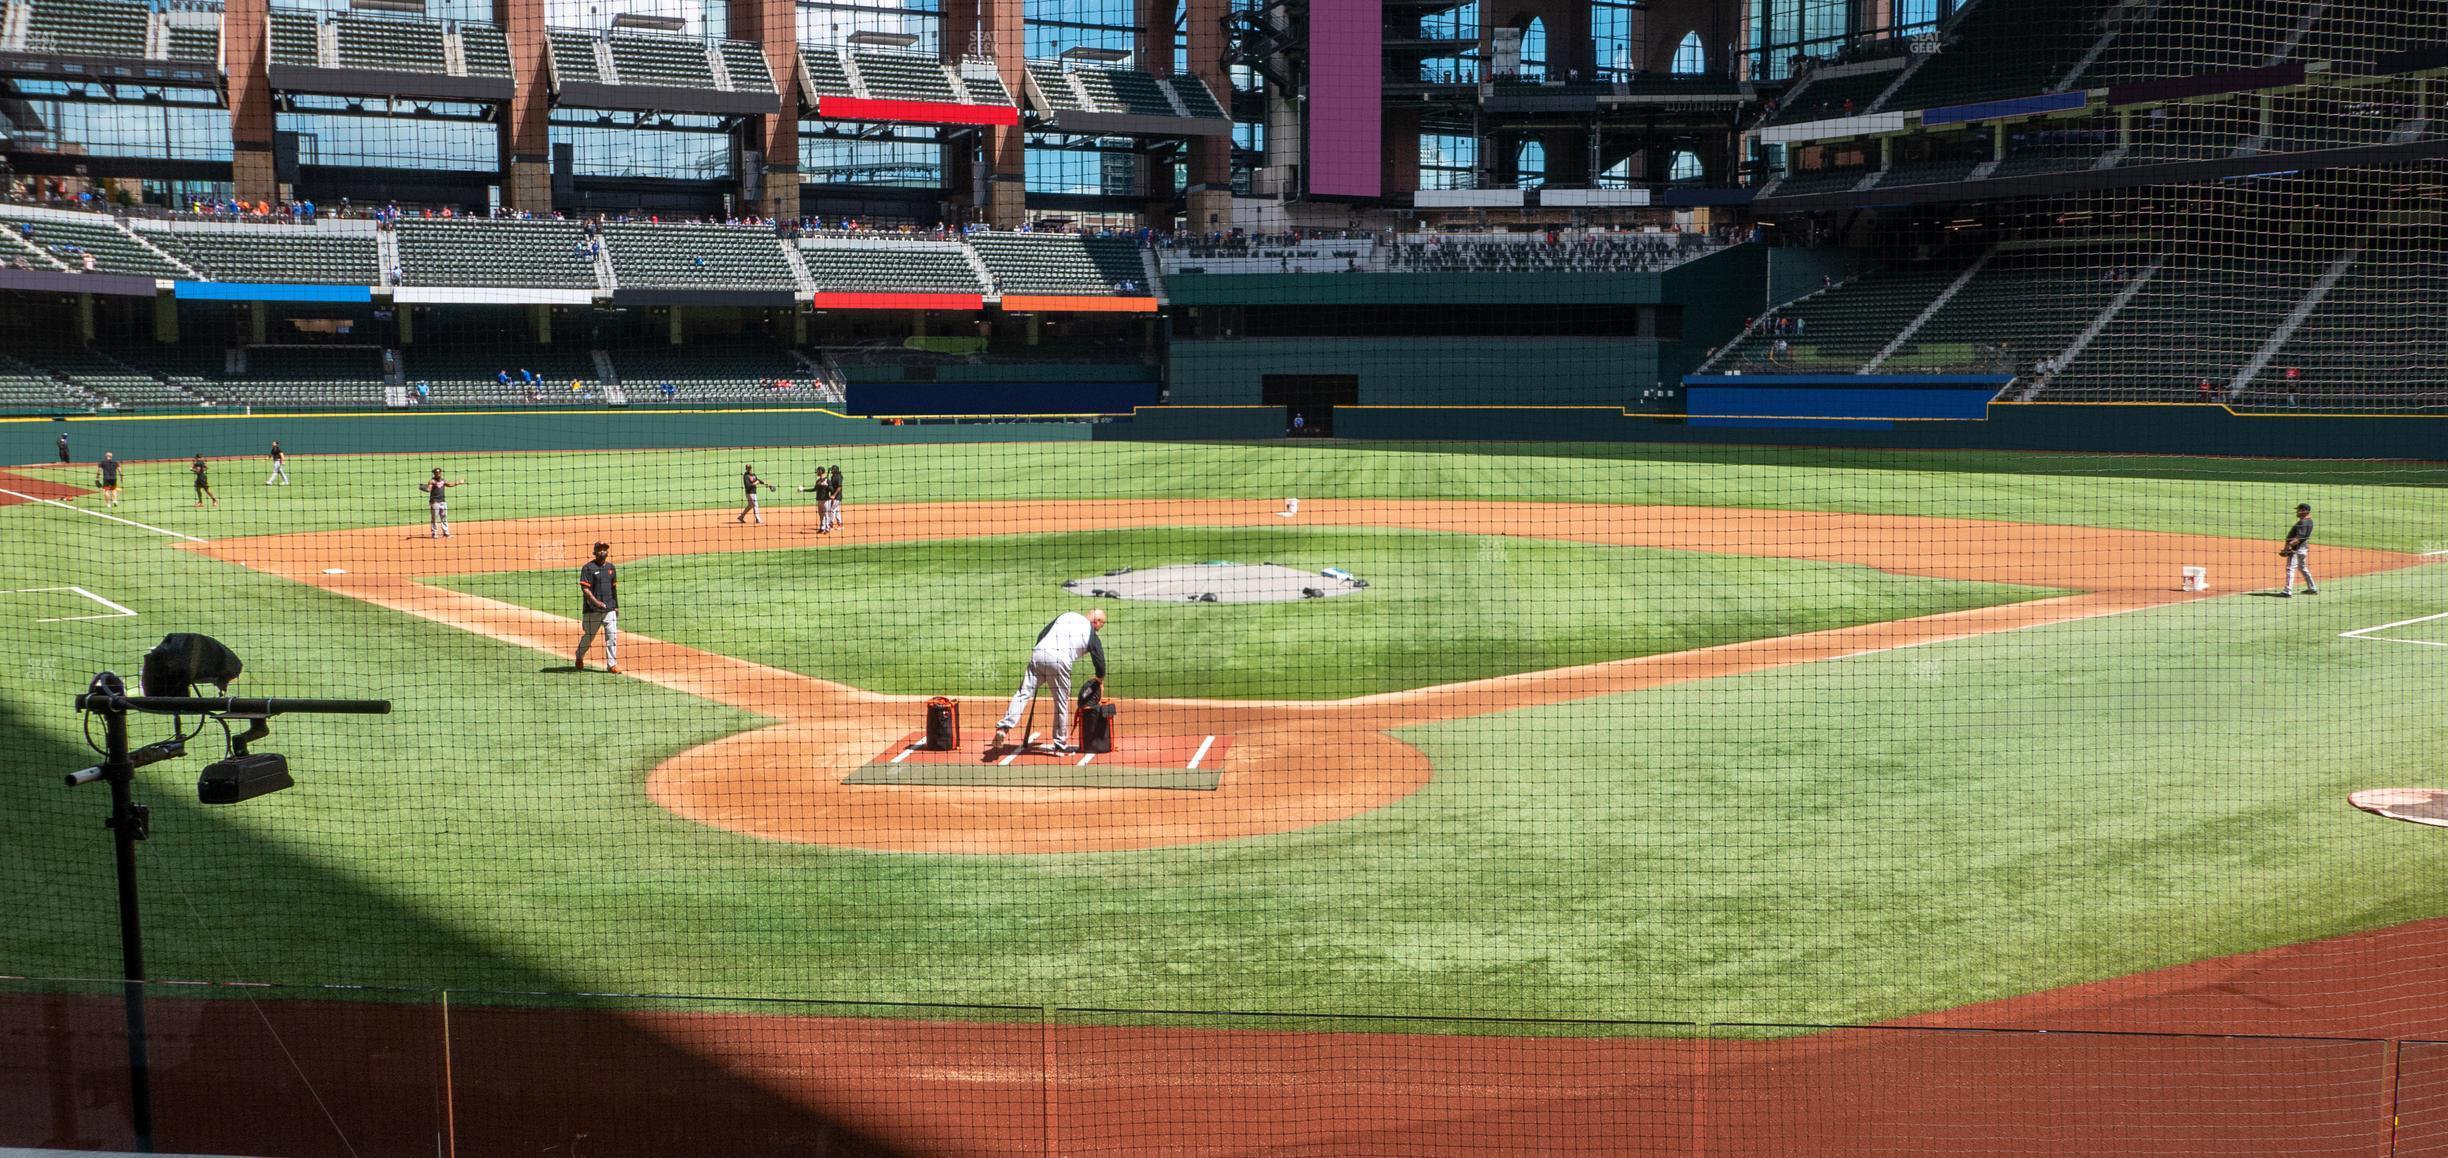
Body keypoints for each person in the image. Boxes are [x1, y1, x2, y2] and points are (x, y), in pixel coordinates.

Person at [988, 608, 1107, 756]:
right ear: (1096, 621)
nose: (1098, 630)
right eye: (1100, 626)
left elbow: (1042, 634)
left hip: (1039, 653)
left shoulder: (1067, 615)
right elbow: (1099, 660)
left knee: (1022, 694)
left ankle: (1003, 728)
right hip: (1059, 661)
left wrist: (1038, 660)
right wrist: (1099, 679)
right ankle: (1060, 745)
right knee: (1061, 703)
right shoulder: (1090, 633)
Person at [576, 541, 621, 673]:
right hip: (592, 611)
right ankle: (579, 656)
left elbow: (614, 590)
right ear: (594, 552)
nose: (603, 551)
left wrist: (616, 606)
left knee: (612, 635)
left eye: (605, 549)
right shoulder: (588, 568)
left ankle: (612, 664)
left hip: (609, 609)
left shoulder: (611, 568)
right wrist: (596, 602)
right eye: (600, 549)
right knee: (589, 636)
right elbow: (585, 589)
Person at [2279, 502, 2319, 597]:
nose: (2297, 511)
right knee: (2303, 568)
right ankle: (2312, 588)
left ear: (2304, 511)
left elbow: (2299, 537)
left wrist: (2288, 547)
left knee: (2290, 568)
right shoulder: (2310, 521)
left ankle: (2287, 591)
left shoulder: (2303, 522)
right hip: (2303, 548)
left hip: (2296, 549)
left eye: (2299, 510)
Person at [422, 467, 465, 538]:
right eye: (436, 473)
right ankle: (434, 533)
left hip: (443, 502)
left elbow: (450, 484)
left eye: (439, 472)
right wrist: (424, 488)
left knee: (444, 518)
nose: (438, 474)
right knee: (434, 518)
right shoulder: (432, 481)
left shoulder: (443, 480)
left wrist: (459, 482)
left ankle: (446, 533)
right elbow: (429, 489)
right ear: (434, 473)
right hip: (434, 502)